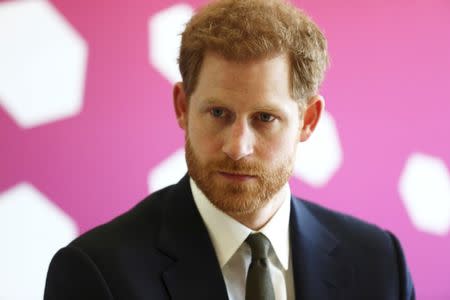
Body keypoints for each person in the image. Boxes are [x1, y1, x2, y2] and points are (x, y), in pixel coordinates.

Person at [44, 0, 415, 299]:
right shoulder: (96, 273)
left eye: (265, 118)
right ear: (182, 107)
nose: (237, 147)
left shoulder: (379, 263)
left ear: (308, 120)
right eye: (218, 113)